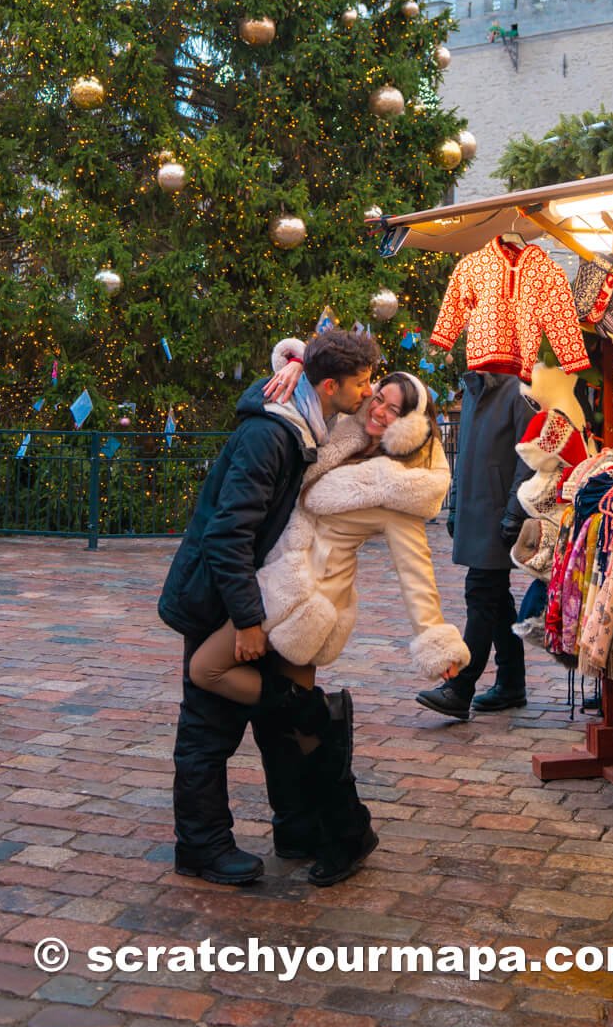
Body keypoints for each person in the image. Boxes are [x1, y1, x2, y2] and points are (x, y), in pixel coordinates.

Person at [157, 328, 380, 888]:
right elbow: (228, 534)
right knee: (208, 732)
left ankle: (299, 829)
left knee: (280, 726)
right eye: (361, 382)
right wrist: (249, 620)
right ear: (328, 386)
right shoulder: (271, 435)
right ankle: (202, 847)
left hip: (264, 595)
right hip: (221, 598)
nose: (368, 391)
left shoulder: (305, 421)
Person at [191, 366, 468, 693]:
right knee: (294, 720)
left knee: (206, 669)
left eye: (393, 410)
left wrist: (435, 640)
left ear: (409, 425)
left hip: (310, 597)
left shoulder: (399, 487)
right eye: (378, 399)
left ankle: (318, 715)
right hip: (281, 576)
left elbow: (416, 571)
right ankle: (318, 718)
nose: (379, 411)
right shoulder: (344, 434)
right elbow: (334, 375)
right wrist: (299, 364)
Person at [414, 369, 533, 722]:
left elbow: (530, 456)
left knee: (481, 593)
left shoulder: (518, 390)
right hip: (478, 509)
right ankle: (511, 682)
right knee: (496, 600)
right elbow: (465, 452)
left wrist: (514, 510)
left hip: (500, 512)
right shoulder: (472, 389)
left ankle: (461, 688)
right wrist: (456, 503)